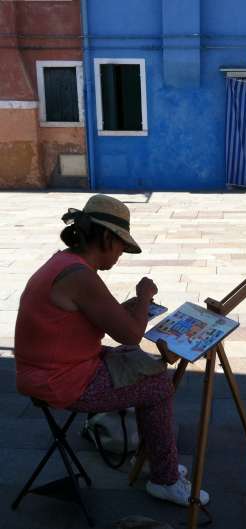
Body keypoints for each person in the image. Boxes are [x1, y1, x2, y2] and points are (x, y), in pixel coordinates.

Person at [14, 194, 209, 507]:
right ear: (107, 237)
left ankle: (156, 460)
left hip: (45, 368)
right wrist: (144, 295)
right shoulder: (81, 276)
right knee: (158, 386)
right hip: (59, 380)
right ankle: (165, 479)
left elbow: (86, 320)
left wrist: (124, 310)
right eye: (121, 247)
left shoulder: (63, 262)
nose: (120, 255)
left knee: (143, 365)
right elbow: (130, 335)